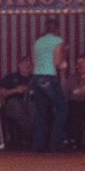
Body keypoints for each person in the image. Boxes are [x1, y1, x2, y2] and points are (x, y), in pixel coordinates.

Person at [29, 17, 67, 153]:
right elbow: (58, 62)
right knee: (62, 108)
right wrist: (64, 60)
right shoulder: (58, 41)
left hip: (36, 78)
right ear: (57, 28)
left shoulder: (37, 42)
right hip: (49, 77)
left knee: (41, 112)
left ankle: (38, 144)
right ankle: (55, 143)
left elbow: (34, 62)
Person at [0, 59, 32, 149]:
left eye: (29, 65)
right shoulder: (11, 77)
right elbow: (1, 92)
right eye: (24, 64)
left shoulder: (34, 79)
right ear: (19, 65)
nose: (26, 66)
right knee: (15, 104)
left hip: (30, 104)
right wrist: (15, 90)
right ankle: (28, 135)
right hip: (12, 104)